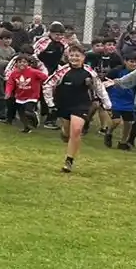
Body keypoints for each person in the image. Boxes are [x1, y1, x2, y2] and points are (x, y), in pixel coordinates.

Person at [42, 44, 110, 173]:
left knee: (77, 130)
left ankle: (69, 161)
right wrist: (50, 103)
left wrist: (107, 103)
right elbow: (47, 85)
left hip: (81, 104)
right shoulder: (62, 71)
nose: (74, 58)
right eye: (71, 55)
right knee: (68, 132)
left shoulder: (89, 71)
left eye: (77, 55)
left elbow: (99, 87)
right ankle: (64, 132)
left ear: (83, 57)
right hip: (64, 104)